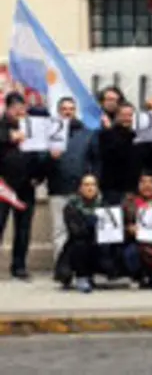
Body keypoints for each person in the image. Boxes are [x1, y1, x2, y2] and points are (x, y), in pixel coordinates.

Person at [57, 174, 140, 293]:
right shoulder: (71, 206)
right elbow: (75, 231)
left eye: (93, 185)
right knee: (80, 245)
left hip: (99, 245)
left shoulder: (104, 205)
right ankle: (82, 276)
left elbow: (115, 228)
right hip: (79, 246)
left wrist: (126, 230)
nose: (90, 188)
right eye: (86, 185)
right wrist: (89, 224)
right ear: (80, 188)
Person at [0, 92, 46, 279]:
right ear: (8, 109)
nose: (20, 112)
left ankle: (19, 266)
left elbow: (41, 153)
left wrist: (39, 176)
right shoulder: (2, 127)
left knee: (24, 228)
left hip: (26, 185)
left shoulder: (32, 126)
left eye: (23, 108)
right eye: (16, 109)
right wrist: (9, 137)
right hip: (3, 185)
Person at [45, 97, 97, 262]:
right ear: (58, 112)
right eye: (64, 109)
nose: (68, 112)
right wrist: (50, 157)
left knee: (83, 229)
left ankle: (82, 265)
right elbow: (40, 162)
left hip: (82, 191)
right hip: (58, 188)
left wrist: (92, 183)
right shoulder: (49, 134)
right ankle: (61, 265)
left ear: (76, 111)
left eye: (71, 109)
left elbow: (95, 160)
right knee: (59, 229)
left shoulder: (88, 134)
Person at [97, 102, 138, 204]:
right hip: (112, 189)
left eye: (130, 115)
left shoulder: (138, 136)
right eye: (123, 115)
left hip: (134, 188)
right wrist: (111, 131)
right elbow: (115, 153)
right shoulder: (106, 134)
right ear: (117, 116)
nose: (127, 118)